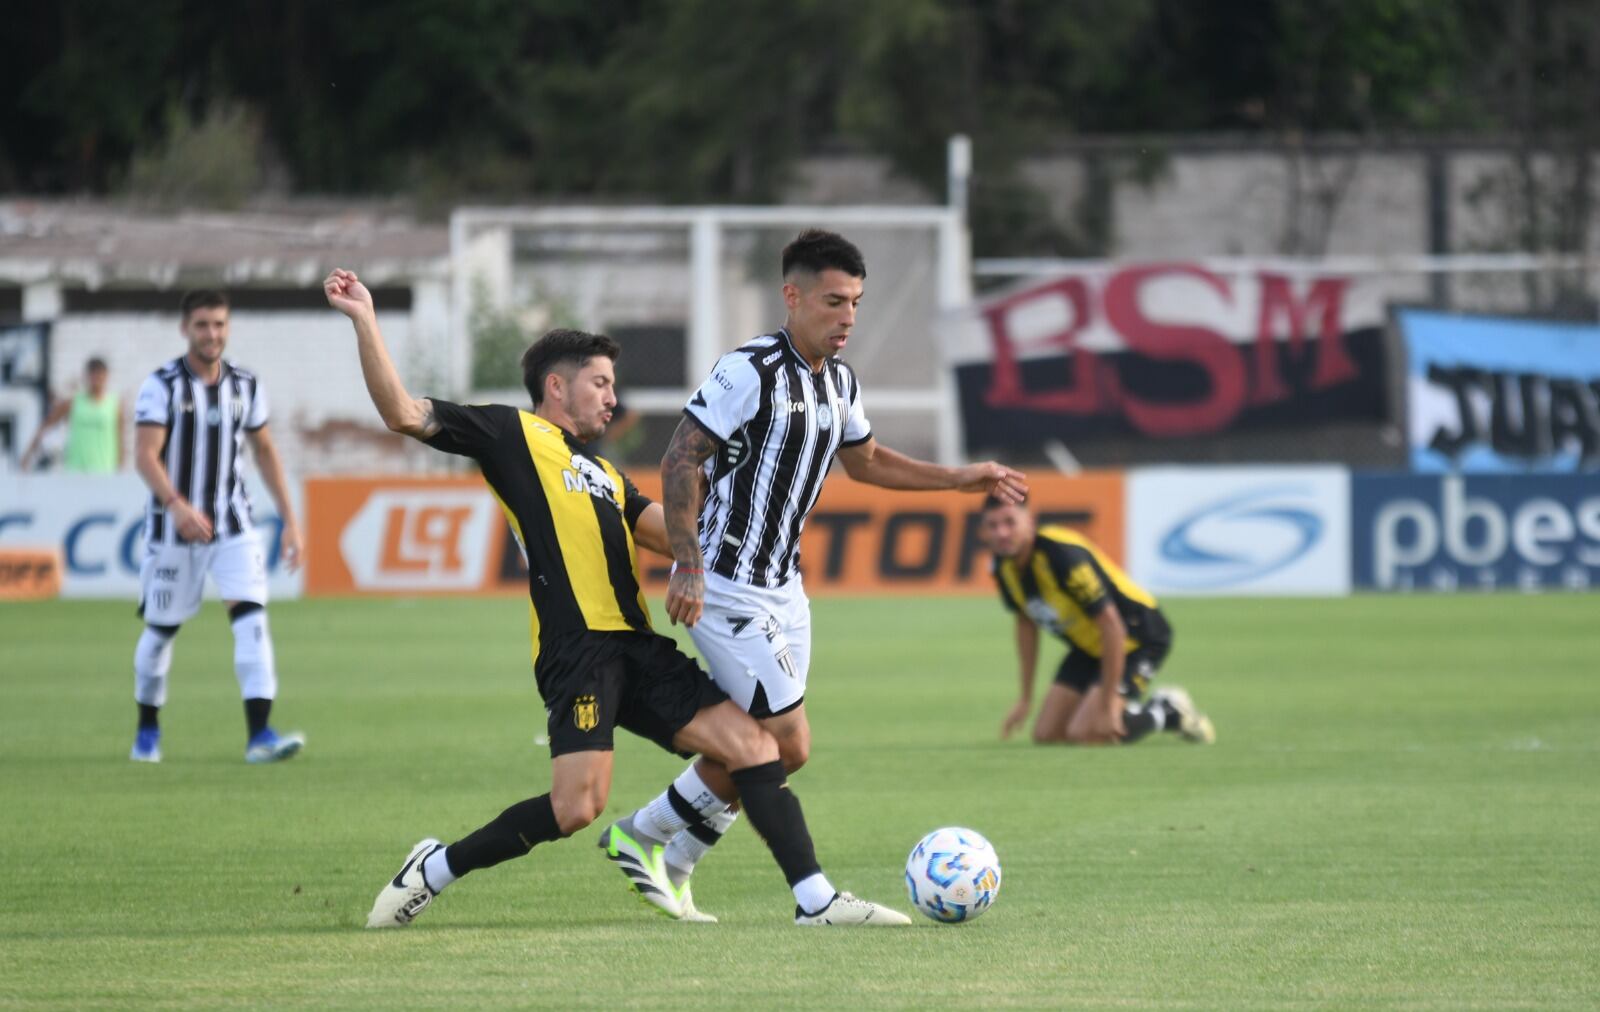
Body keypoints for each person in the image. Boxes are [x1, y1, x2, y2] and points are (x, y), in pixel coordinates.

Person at [324, 268, 908, 929]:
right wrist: (364, 319)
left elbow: (674, 533)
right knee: (576, 809)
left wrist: (743, 506)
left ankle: (811, 900)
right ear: (556, 385)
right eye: (600, 382)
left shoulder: (606, 475)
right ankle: (434, 867)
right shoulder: (511, 437)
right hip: (579, 653)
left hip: (638, 650)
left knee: (759, 748)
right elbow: (402, 412)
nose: (612, 397)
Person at [600, 229, 1028, 922]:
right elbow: (681, 458)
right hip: (728, 586)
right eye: (834, 301)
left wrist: (960, 480)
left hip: (785, 590)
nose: (848, 317)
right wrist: (687, 564)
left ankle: (660, 852)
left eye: (856, 303)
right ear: (792, 296)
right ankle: (777, 886)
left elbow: (866, 462)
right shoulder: (749, 370)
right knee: (786, 742)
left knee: (772, 752)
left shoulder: (841, 381)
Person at [128, 291, 305, 764]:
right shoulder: (161, 385)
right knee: (161, 632)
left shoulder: (246, 384)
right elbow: (145, 455)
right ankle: (147, 730)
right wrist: (177, 505)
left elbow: (265, 451)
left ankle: (260, 736)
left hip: (233, 525)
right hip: (173, 530)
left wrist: (291, 520)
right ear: (186, 328)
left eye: (220, 325)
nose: (213, 334)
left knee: (251, 621)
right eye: (203, 325)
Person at [977, 493, 1215, 746]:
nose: (1001, 533)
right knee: (1047, 735)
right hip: (1091, 647)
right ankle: (1118, 712)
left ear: (1030, 521)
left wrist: (1107, 705)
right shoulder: (1003, 567)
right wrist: (1025, 698)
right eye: (993, 525)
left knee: (1089, 732)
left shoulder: (1061, 556)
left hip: (1138, 636)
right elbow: (1025, 622)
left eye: (1009, 522)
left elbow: (1112, 625)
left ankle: (1167, 712)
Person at [19, 356, 123, 473]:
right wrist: (28, 455)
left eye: (100, 375)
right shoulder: (74, 403)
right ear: (87, 376)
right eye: (93, 375)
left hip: (105, 471)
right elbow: (46, 426)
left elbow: (120, 441)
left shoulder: (114, 405)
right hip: (76, 471)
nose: (96, 380)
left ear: (106, 376)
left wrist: (120, 468)